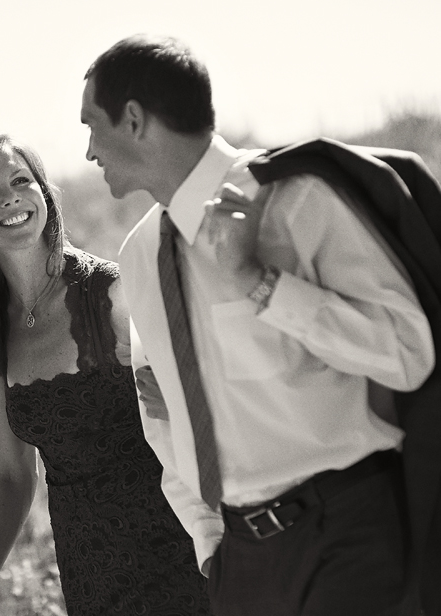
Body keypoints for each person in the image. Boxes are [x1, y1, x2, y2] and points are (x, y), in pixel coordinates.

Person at [80, 34, 436, 615]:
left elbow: (407, 351)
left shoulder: (299, 201)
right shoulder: (141, 255)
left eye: (93, 124)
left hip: (347, 532)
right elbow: (164, 416)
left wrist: (259, 282)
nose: (90, 151)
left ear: (135, 120)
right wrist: (210, 549)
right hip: (241, 564)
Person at [0, 130, 213, 615]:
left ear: (44, 193)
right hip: (88, 569)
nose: (10, 199)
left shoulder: (113, 295)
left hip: (178, 547)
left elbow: (197, 413)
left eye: (20, 180)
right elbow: (14, 473)